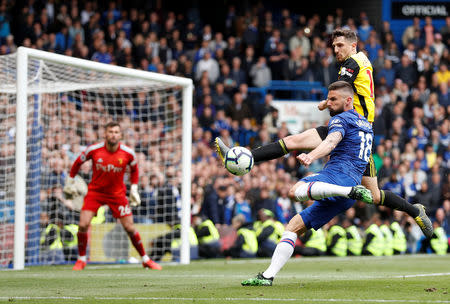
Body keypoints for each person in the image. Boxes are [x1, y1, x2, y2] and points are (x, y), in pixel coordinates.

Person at [216, 28, 433, 240]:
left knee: (374, 196)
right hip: (356, 130)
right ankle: (247, 157)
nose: (336, 50)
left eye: (340, 45)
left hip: (354, 132)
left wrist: (324, 104)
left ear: (353, 46)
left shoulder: (351, 64)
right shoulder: (363, 60)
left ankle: (415, 211)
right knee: (294, 142)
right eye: (334, 46)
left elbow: (341, 90)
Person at [241, 81, 373, 286]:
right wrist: (325, 104)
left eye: (333, 99)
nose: (329, 103)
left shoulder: (341, 119)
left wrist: (311, 156)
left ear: (349, 101)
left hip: (339, 178)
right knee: (293, 227)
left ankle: (349, 191)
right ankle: (268, 276)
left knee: (294, 191)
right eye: (328, 99)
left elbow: (331, 142)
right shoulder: (365, 124)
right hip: (349, 187)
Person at [64, 122, 162, 270]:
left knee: (129, 227)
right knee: (83, 224)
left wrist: (134, 188)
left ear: (120, 135)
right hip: (95, 193)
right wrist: (70, 181)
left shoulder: (128, 153)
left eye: (116, 132)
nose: (113, 135)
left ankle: (145, 259)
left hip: (117, 195)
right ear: (105, 134)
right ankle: (81, 259)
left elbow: (134, 170)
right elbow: (77, 163)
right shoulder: (94, 149)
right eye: (110, 132)